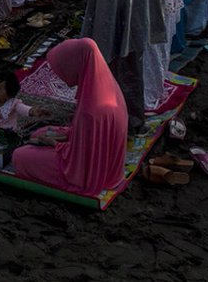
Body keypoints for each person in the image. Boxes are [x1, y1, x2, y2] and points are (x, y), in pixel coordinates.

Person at [12, 38, 128, 197]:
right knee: (39, 134)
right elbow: (89, 139)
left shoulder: (91, 110)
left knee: (20, 156)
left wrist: (54, 143)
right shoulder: (105, 84)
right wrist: (64, 135)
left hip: (87, 172)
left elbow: (79, 160)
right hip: (105, 157)